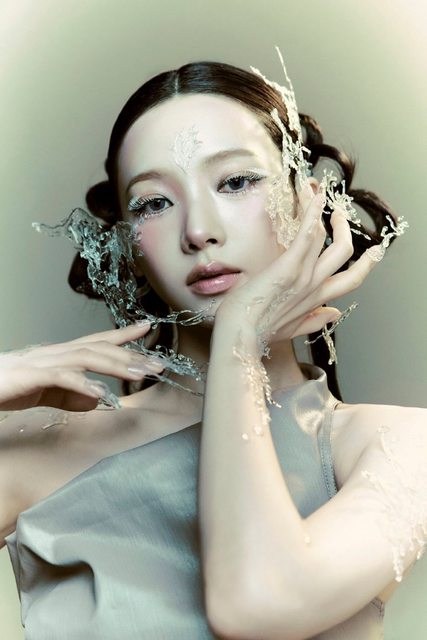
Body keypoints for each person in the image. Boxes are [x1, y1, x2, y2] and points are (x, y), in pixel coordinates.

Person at [0, 57, 425, 640]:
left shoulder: (399, 446)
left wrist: (239, 342)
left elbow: (257, 607)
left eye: (236, 182)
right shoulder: (44, 448)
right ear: (129, 247)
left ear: (309, 205)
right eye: (154, 203)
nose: (199, 230)